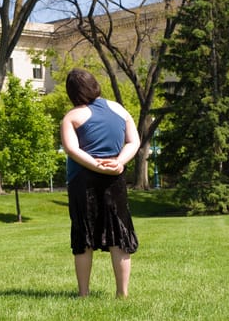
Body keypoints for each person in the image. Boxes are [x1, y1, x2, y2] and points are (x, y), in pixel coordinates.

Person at [60, 68, 140, 298]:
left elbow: (71, 149)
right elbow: (133, 141)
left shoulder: (72, 117)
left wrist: (95, 165)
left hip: (81, 180)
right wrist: (119, 162)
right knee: (120, 236)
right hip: (115, 178)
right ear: (95, 84)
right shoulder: (119, 109)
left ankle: (83, 294)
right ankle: (122, 294)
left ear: (71, 92)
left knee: (83, 237)